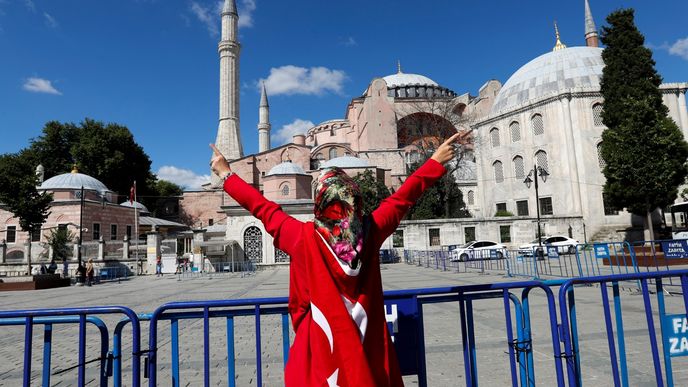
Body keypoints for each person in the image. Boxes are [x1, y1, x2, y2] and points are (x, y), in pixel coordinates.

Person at [210, 132, 462, 387]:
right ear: (355, 199)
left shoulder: (301, 237)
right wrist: (435, 162)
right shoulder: (373, 230)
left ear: (320, 201)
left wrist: (226, 175)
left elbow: (263, 208)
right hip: (368, 352)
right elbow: (401, 199)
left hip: (318, 349)